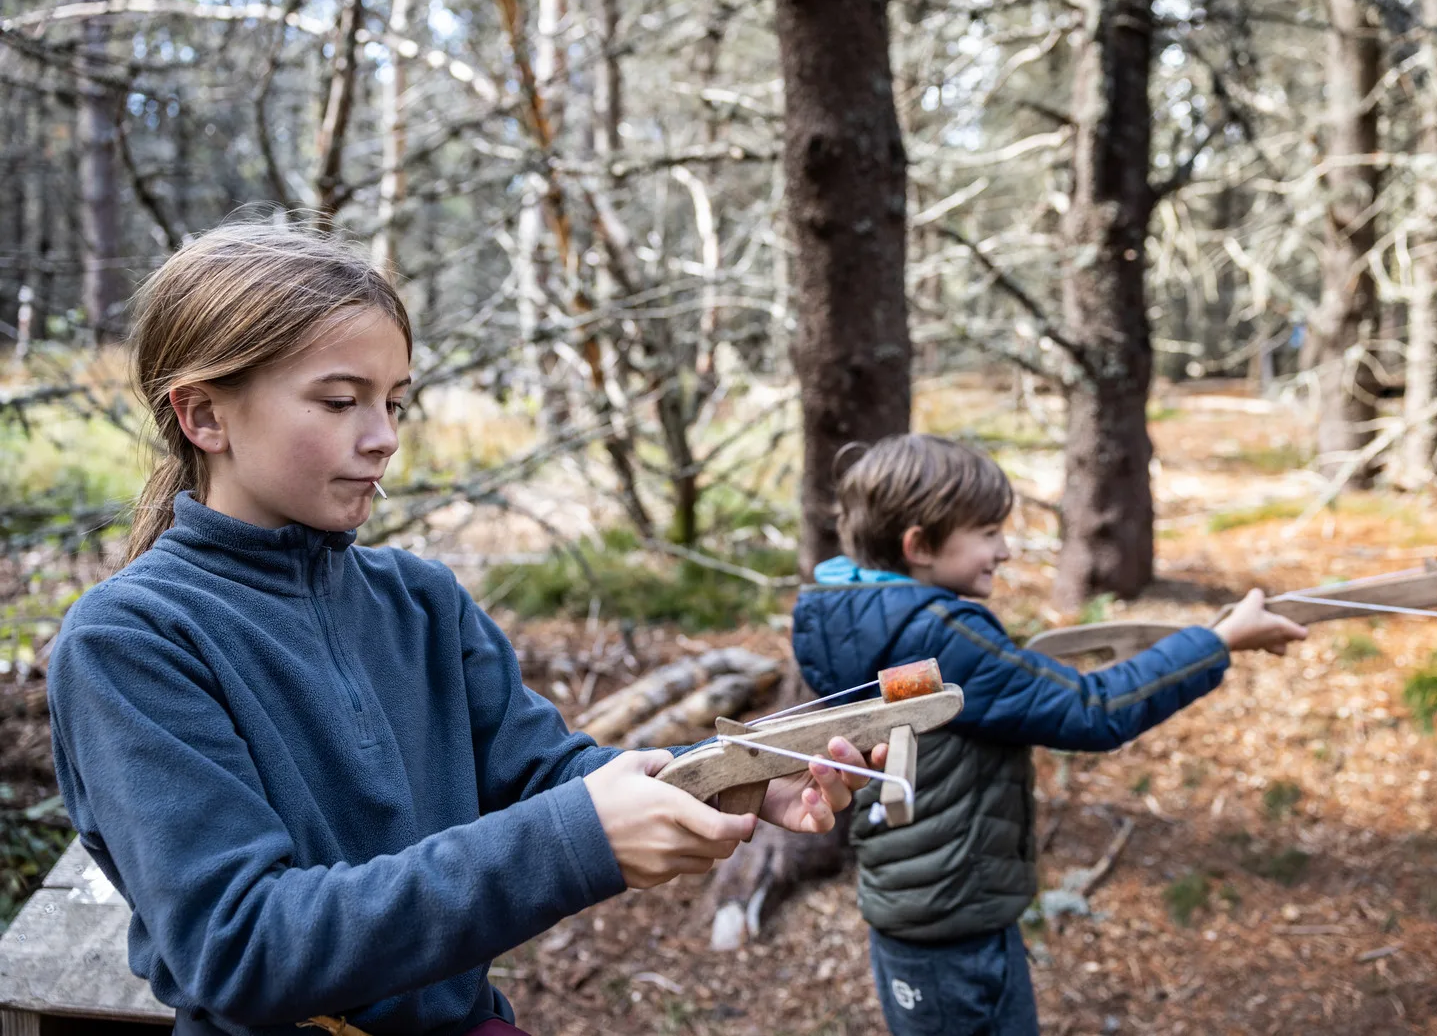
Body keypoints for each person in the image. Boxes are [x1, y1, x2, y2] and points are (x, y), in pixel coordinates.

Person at [46, 222, 883, 1036]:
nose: (383, 439)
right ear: (203, 416)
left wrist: (732, 777)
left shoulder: (420, 602)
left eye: (395, 402)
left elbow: (548, 774)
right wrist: (576, 838)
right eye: (340, 401)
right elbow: (242, 946)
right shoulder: (132, 642)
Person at [791, 434, 1307, 1036]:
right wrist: (1217, 643)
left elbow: (980, 701)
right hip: (950, 926)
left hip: (934, 907)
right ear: (918, 544)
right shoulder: (939, 634)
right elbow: (1093, 709)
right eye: (987, 532)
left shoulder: (859, 618)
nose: (1005, 550)